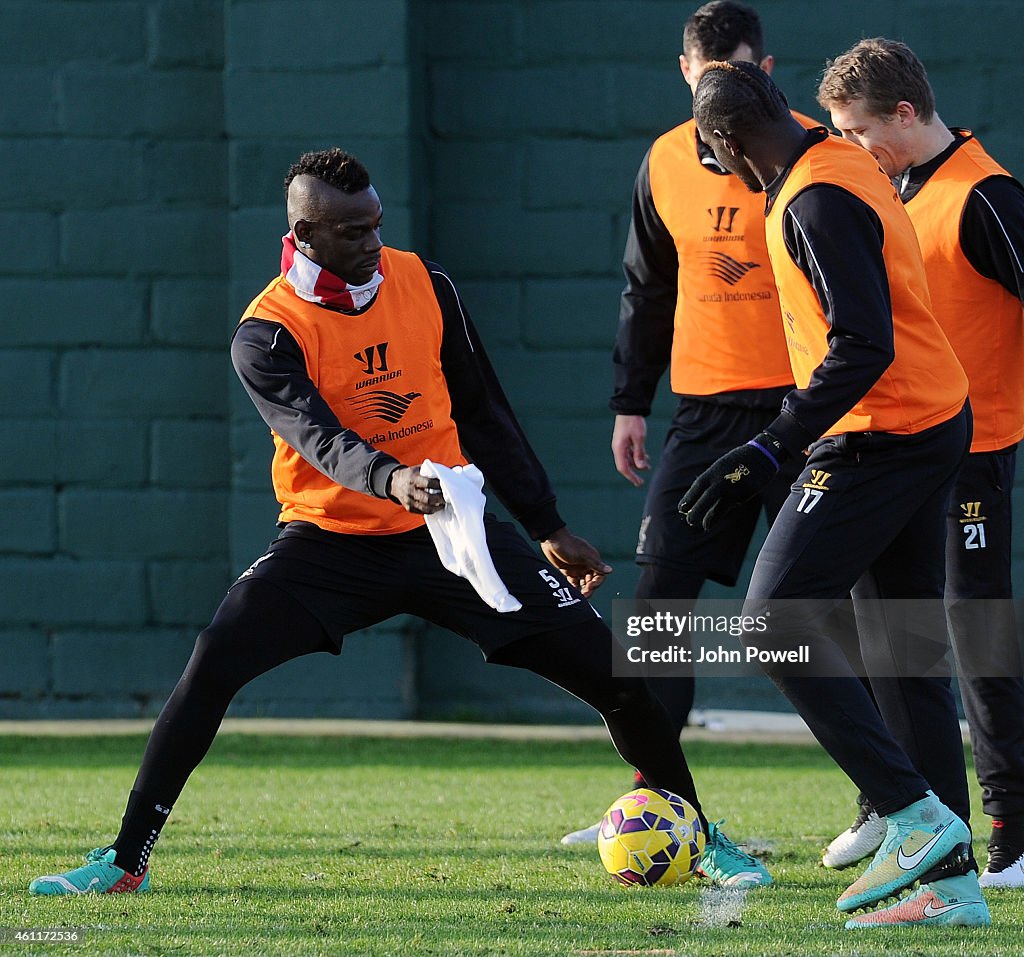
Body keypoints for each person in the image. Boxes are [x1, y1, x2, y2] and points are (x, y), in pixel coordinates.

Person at [29, 148, 769, 896]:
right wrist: (392, 479)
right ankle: (127, 860)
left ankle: (701, 834)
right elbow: (318, 438)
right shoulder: (267, 333)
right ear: (306, 235)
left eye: (377, 224)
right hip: (328, 542)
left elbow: (483, 415)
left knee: (618, 679)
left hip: (453, 532)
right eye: (352, 233)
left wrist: (546, 521)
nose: (373, 244)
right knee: (212, 663)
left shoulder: (426, 283)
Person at [684, 61, 990, 927]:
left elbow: (862, 346)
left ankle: (913, 817)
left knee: (770, 622)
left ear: (730, 140)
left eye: (719, 156)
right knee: (904, 652)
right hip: (930, 418)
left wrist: (767, 446)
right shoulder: (843, 157)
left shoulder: (813, 195)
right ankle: (954, 885)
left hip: (881, 432)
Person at [561, 0, 804, 863]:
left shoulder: (812, 153)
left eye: (736, 80)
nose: (720, 102)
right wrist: (633, 402)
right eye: (706, 81)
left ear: (766, 77)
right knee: (658, 608)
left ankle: (890, 809)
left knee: (837, 608)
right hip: (703, 413)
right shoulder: (663, 159)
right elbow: (646, 288)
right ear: (684, 73)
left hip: (805, 409)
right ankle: (660, 801)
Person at [817, 37, 1024, 889]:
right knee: (884, 632)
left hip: (974, 453)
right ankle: (906, 808)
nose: (854, 147)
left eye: (862, 130)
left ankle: (1013, 829)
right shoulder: (889, 186)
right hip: (899, 447)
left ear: (907, 113)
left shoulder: (987, 196)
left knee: (978, 632)